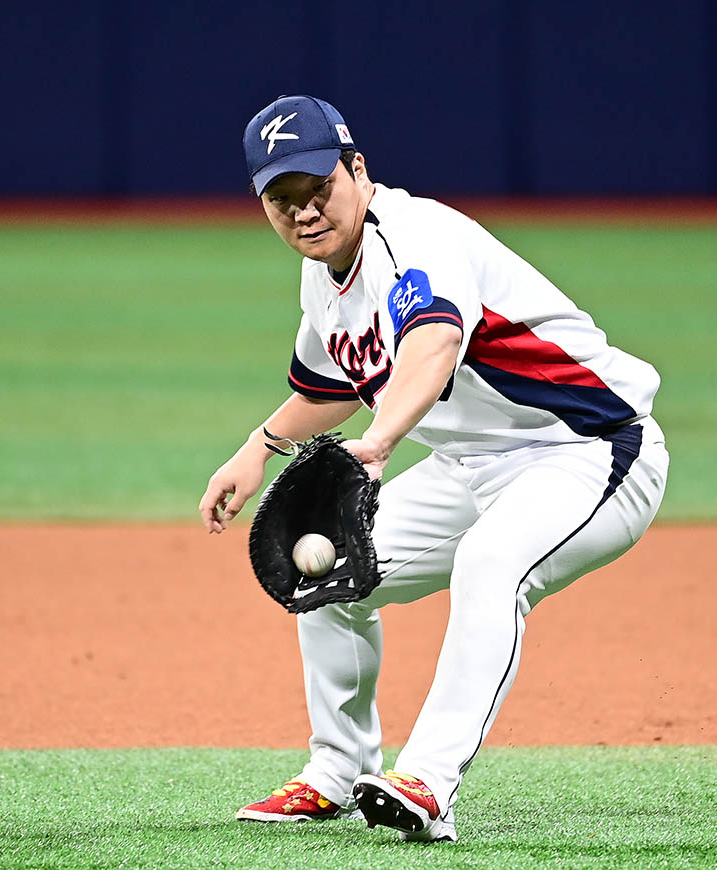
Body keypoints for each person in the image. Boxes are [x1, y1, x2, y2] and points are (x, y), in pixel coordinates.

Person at [199, 95, 669, 843]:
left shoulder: (417, 239)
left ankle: (428, 782)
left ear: (357, 169)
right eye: (282, 200)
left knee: (492, 562)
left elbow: (433, 345)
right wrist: (257, 447)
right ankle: (336, 771)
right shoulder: (323, 274)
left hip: (589, 447)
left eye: (319, 188)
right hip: (470, 467)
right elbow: (329, 386)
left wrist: (380, 441)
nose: (305, 212)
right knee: (328, 570)